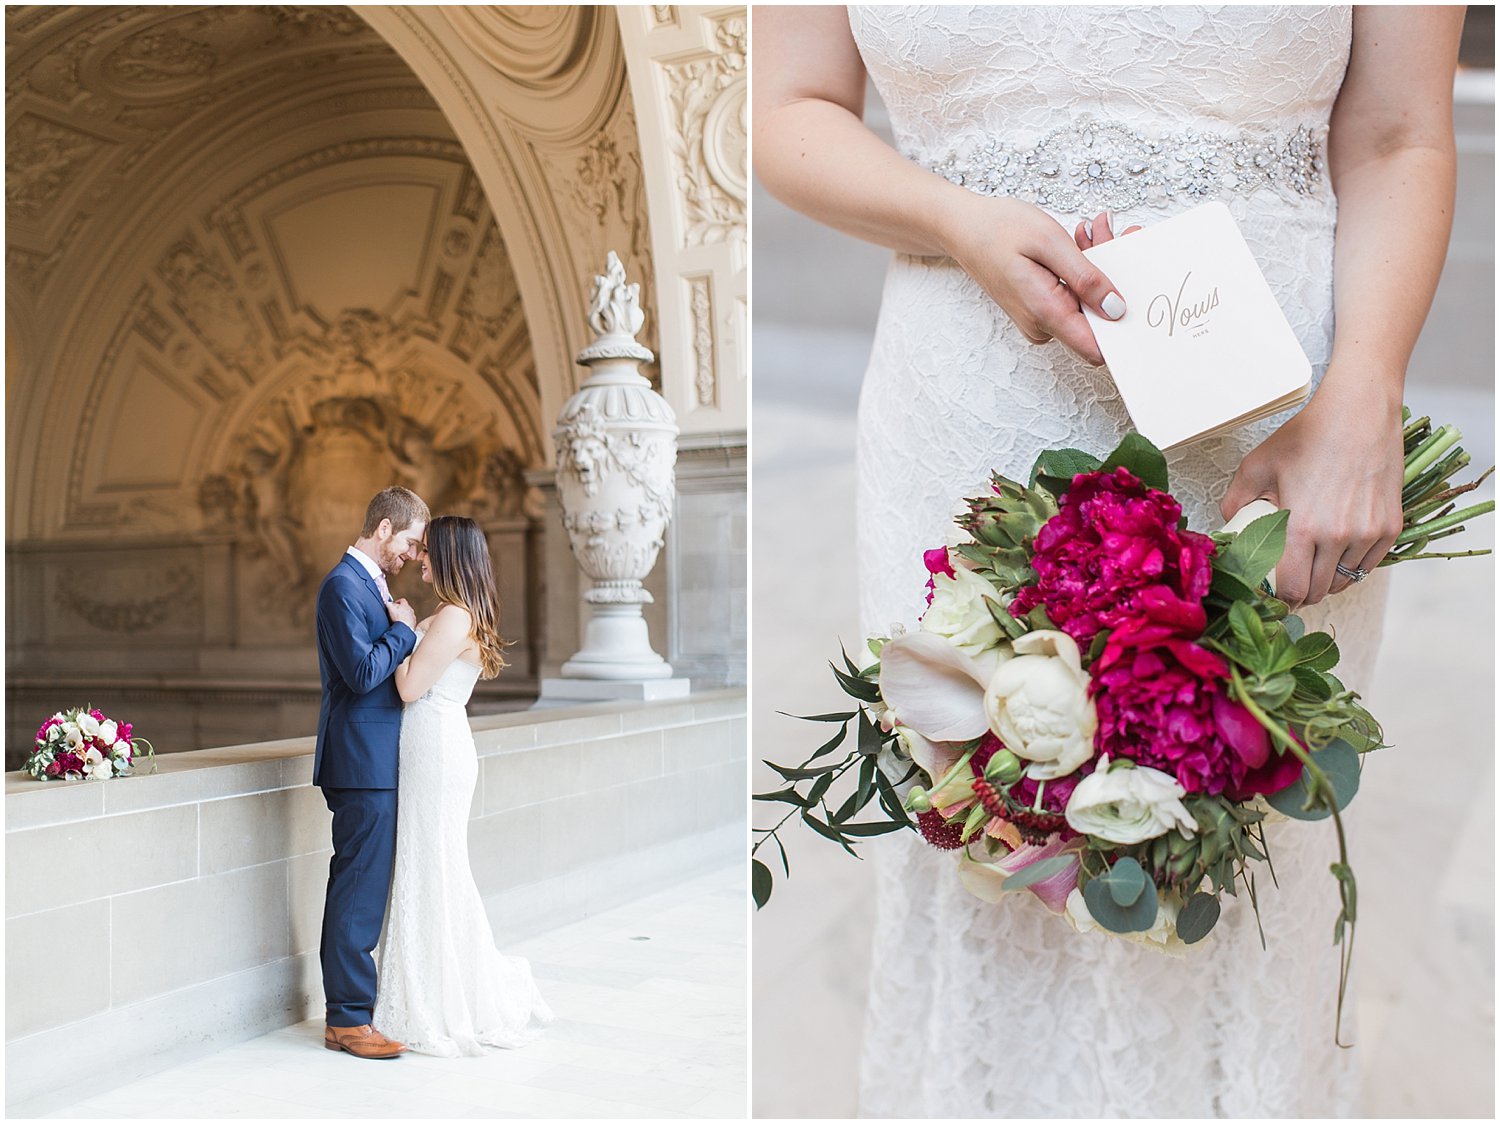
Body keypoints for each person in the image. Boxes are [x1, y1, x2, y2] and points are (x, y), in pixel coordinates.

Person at [754, 5, 1462, 1117]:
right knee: (995, 851)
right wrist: (951, 215)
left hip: (1272, 432)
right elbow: (785, 108)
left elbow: (1397, 134)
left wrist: (1365, 391)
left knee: (1238, 853)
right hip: (965, 411)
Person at [373, 515, 553, 1055]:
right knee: (428, 862)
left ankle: (444, 994)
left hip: (437, 749)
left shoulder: (451, 618)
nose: (421, 559)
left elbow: (407, 687)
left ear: (449, 555)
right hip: (433, 746)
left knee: (435, 864)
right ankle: (427, 982)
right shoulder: (450, 614)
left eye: (428, 551)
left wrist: (400, 628)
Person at [313, 485, 428, 1059]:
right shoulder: (342, 586)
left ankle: (354, 1011)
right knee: (358, 890)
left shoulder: (369, 585)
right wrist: (405, 630)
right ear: (383, 529)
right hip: (359, 761)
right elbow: (360, 673)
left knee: (365, 885)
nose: (410, 554)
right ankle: (347, 1020)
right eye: (408, 542)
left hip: (375, 758)